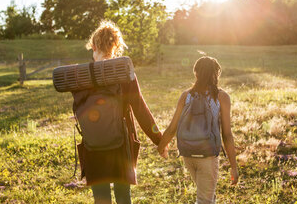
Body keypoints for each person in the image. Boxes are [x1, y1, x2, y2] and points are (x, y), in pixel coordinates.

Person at [72, 21, 165, 204]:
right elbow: (140, 108)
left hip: (92, 146)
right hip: (120, 145)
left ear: (94, 46)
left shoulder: (81, 75)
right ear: (116, 46)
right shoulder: (122, 71)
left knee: (101, 199)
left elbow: (78, 110)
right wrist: (159, 139)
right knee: (123, 197)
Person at [157, 56, 238, 204]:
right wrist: (234, 166)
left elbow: (171, 128)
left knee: (207, 196)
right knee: (204, 200)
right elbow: (227, 135)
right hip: (207, 157)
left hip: (188, 154)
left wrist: (161, 147)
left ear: (196, 73)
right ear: (216, 74)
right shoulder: (221, 97)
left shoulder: (186, 96)